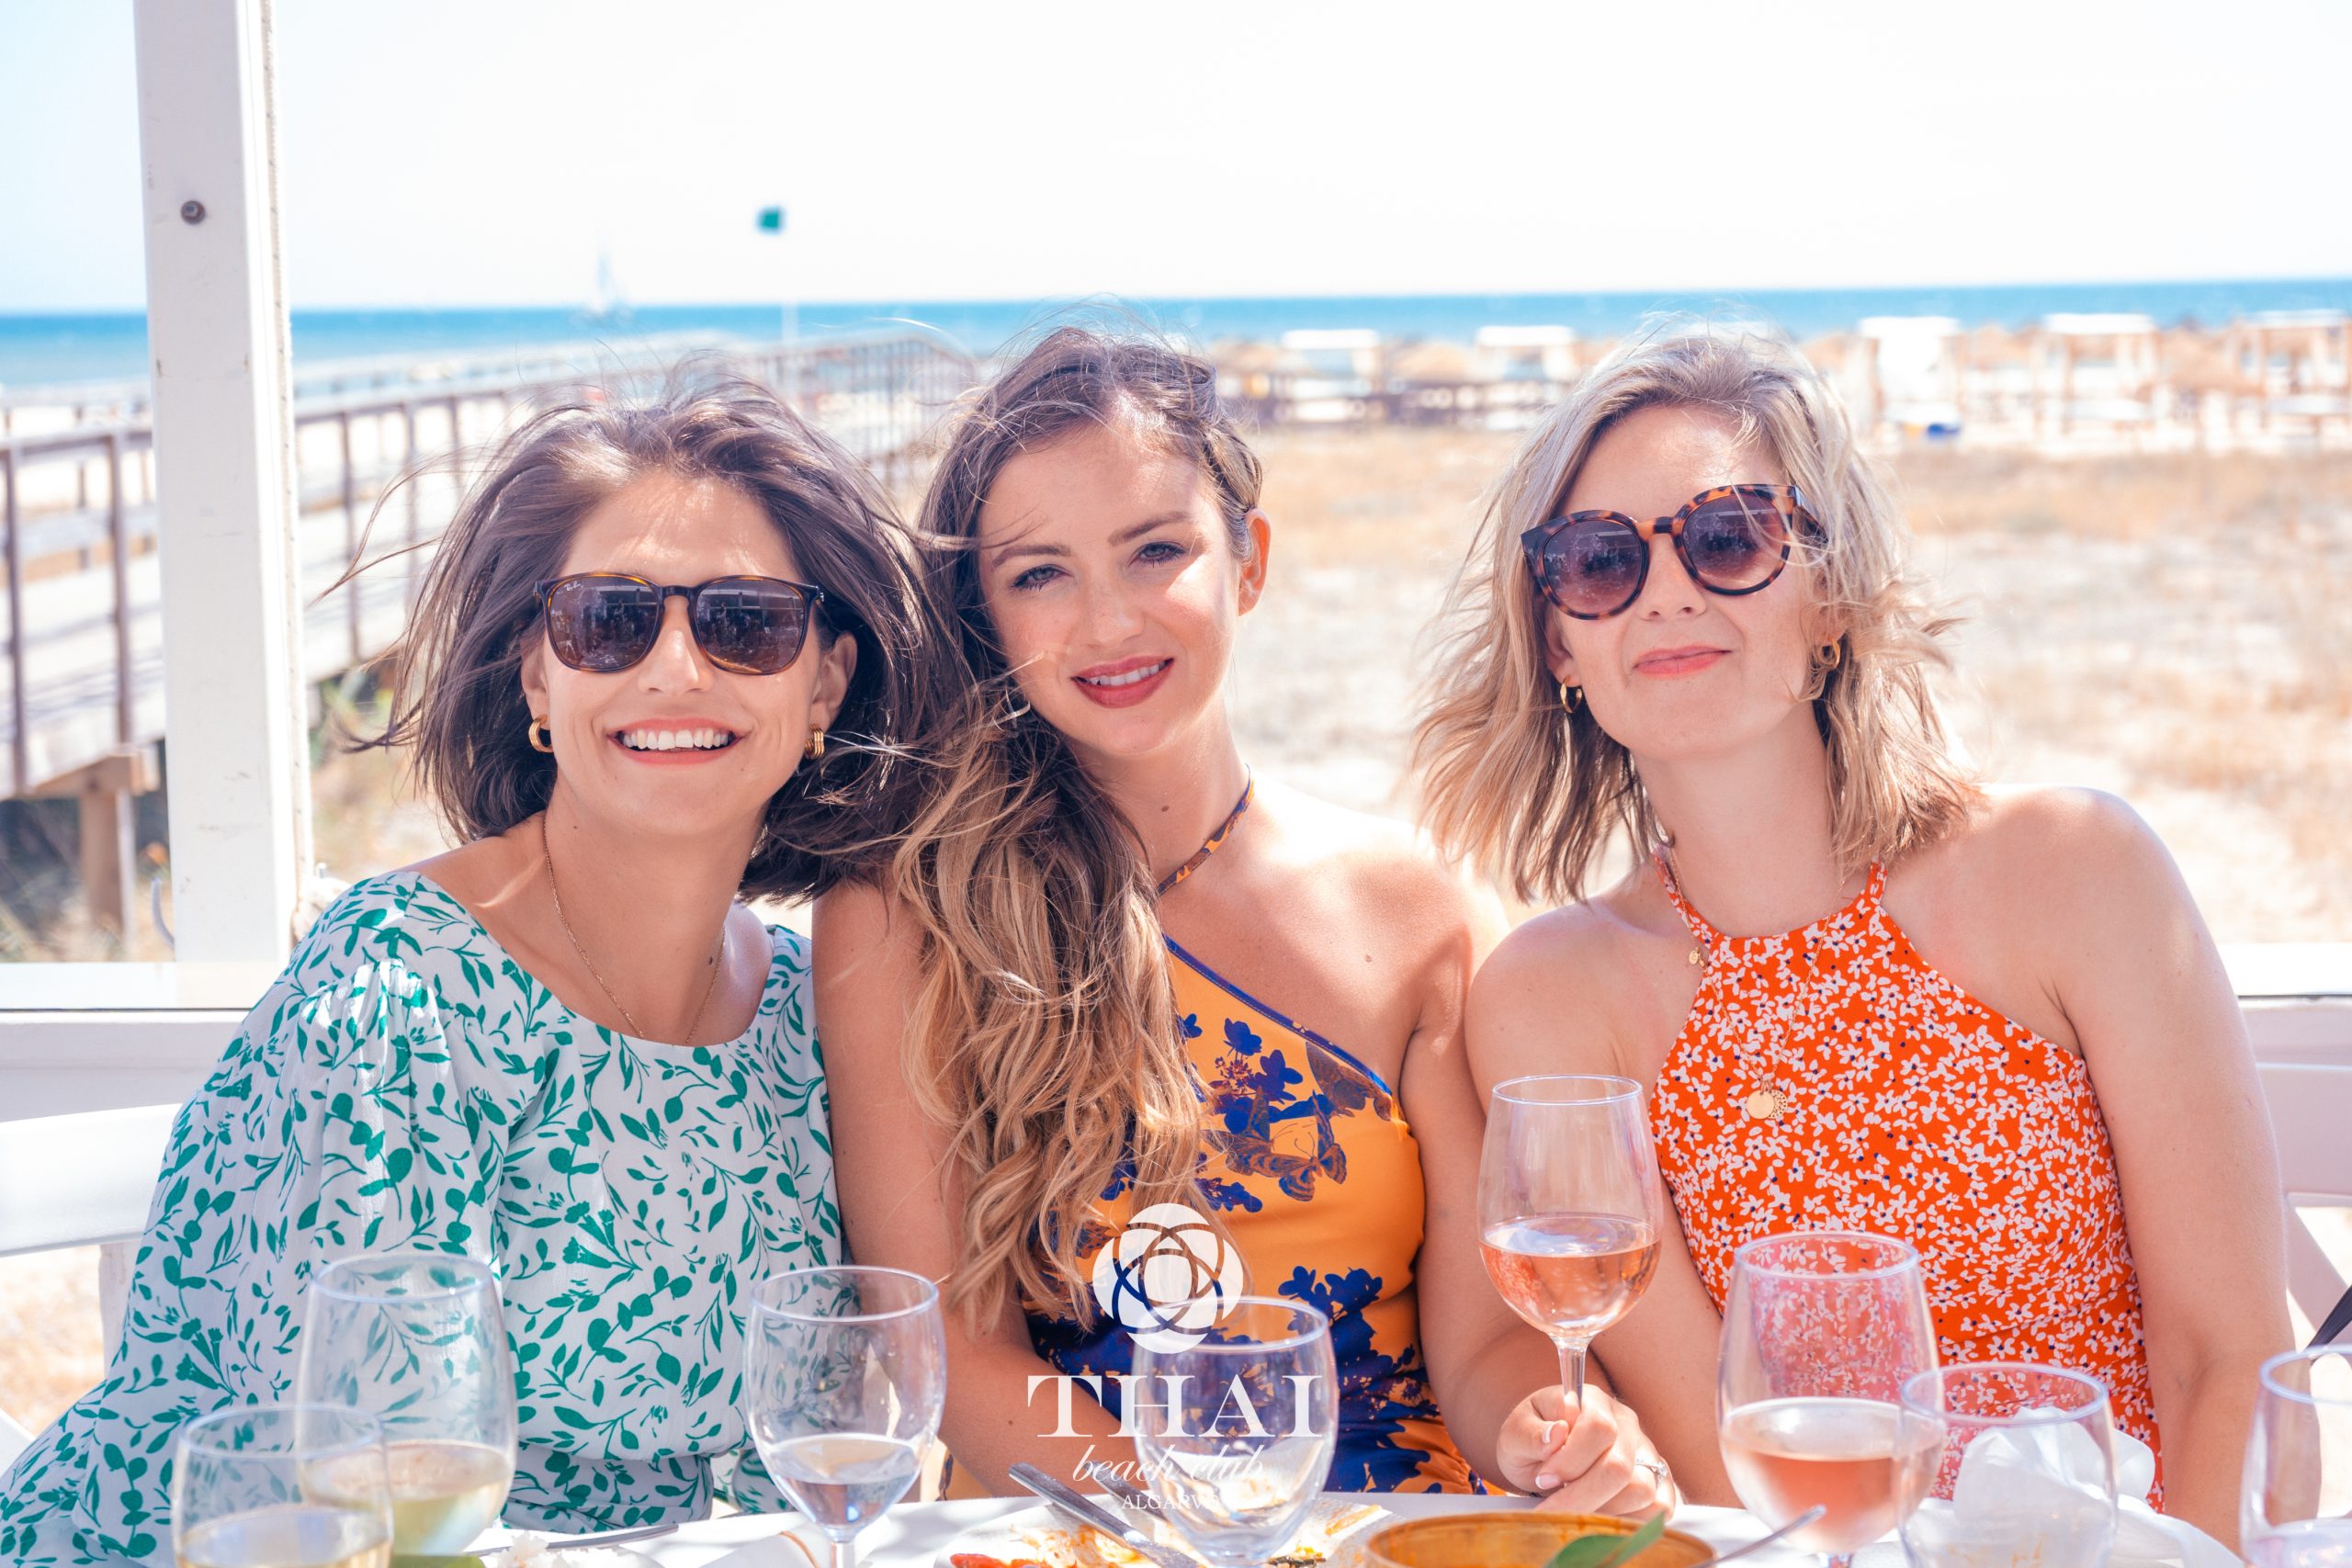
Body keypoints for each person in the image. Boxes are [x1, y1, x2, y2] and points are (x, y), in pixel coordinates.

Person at [1, 381, 946, 1562]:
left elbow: (828, 1440)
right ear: (540, 677)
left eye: (744, 624)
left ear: (826, 685)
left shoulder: (811, 1020)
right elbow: (360, 1504)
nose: (675, 668)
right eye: (609, 621)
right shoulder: (397, 998)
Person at [1412, 325, 2290, 1546]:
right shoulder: (1554, 995)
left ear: (1831, 595)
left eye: (1728, 537)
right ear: (1561, 639)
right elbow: (1729, 1470)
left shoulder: (2076, 871)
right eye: (1600, 560)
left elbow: (2226, 1359)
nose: (1665, 591)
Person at [815, 328, 1670, 1510]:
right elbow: (952, 1355)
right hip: (1078, 1525)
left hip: (1384, 1528)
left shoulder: (1423, 912)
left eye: (1155, 551)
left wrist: (1546, 1430)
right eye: (1039, 574)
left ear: (1248, 562)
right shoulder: (908, 913)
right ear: (984, 616)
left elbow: (1483, 1345)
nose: (1108, 622)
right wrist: (1210, 1515)